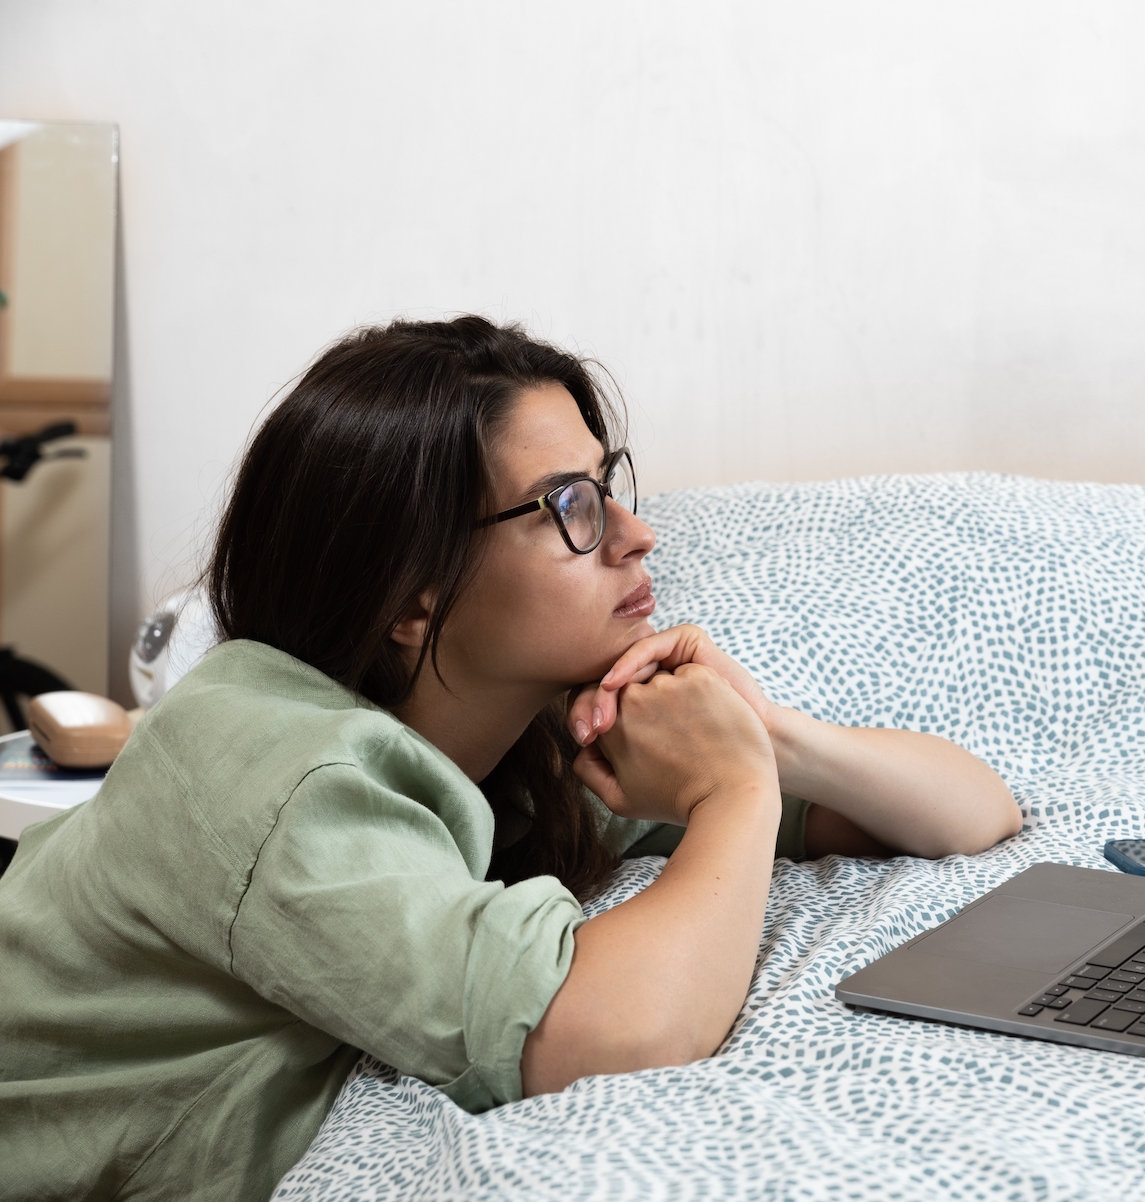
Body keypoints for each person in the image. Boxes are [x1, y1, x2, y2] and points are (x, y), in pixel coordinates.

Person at [0, 316, 1021, 1201]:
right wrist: (736, 790)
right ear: (413, 597)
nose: (637, 532)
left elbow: (972, 812)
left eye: (609, 485)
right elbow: (607, 1032)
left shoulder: (511, 733)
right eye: (570, 503)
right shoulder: (287, 773)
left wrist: (767, 735)